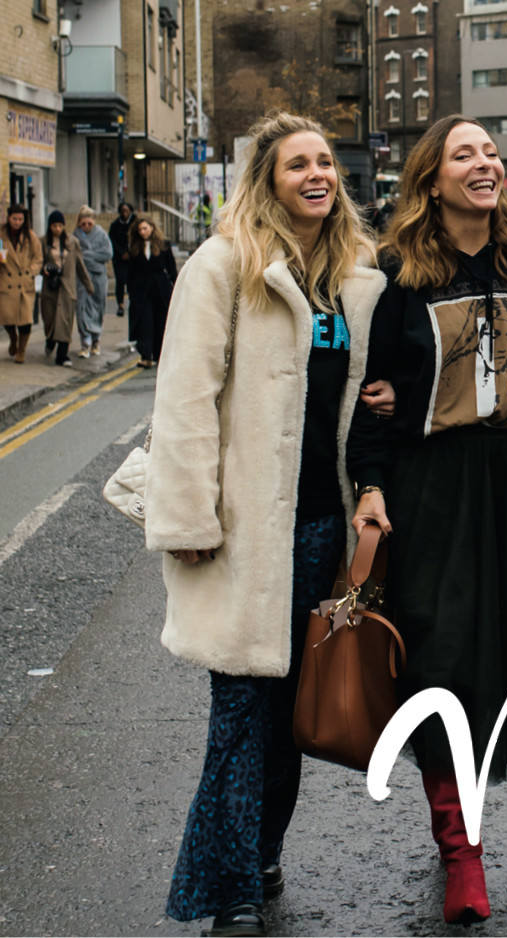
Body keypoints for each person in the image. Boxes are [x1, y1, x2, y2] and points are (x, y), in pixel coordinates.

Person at [146, 110, 386, 938]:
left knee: (293, 713)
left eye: (326, 163)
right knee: (242, 712)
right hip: (245, 532)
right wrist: (188, 517)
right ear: (267, 182)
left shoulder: (354, 278)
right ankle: (230, 890)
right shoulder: (222, 267)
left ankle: (261, 852)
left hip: (324, 524)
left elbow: (355, 395)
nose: (318, 175)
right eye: (297, 166)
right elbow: (182, 400)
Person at [347, 115, 507, 926]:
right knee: (437, 656)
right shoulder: (396, 272)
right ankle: (459, 850)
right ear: (432, 178)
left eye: (491, 153)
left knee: (491, 663)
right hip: (428, 485)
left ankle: (465, 827)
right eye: (464, 153)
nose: (484, 163)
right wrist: (372, 480)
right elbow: (369, 391)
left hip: (506, 484)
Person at [40, 210, 93, 366]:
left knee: (65, 323)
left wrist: (88, 285)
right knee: (50, 322)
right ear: (49, 226)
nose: (57, 229)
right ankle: (50, 342)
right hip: (50, 288)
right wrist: (42, 270)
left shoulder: (72, 242)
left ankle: (62, 356)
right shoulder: (42, 242)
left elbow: (80, 266)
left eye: (60, 225)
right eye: (54, 226)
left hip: (67, 288)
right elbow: (37, 262)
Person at [126, 212, 178, 368]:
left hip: (160, 289)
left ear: (152, 227)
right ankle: (146, 356)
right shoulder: (135, 247)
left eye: (145, 228)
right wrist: (131, 291)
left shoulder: (163, 244)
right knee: (145, 323)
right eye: (140, 229)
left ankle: (160, 356)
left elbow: (171, 269)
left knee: (161, 322)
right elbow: (131, 272)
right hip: (142, 290)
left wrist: (174, 286)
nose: (143, 232)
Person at [1, 204, 43, 364]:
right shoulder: (1, 235)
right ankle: (13, 338)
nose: (17, 222)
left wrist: (31, 272)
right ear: (9, 218)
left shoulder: (30, 237)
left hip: (24, 283)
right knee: (7, 319)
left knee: (25, 320)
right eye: (14, 219)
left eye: (20, 219)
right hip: (6, 281)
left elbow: (38, 258)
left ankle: (22, 350)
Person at [73, 206, 113, 358]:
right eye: (83, 224)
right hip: (82, 276)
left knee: (98, 308)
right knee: (81, 308)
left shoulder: (101, 234)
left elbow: (107, 254)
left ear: (94, 222)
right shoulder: (75, 236)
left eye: (89, 223)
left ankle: (96, 340)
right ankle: (85, 342)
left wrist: (87, 255)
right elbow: (76, 256)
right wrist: (92, 256)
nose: (87, 227)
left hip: (98, 277)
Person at [108, 201, 134, 317]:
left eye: (127, 211)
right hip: (119, 259)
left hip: (133, 258)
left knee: (132, 281)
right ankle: (121, 305)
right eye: (122, 211)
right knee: (120, 280)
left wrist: (130, 252)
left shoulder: (135, 222)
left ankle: (133, 303)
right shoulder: (115, 225)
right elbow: (112, 241)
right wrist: (121, 253)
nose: (124, 213)